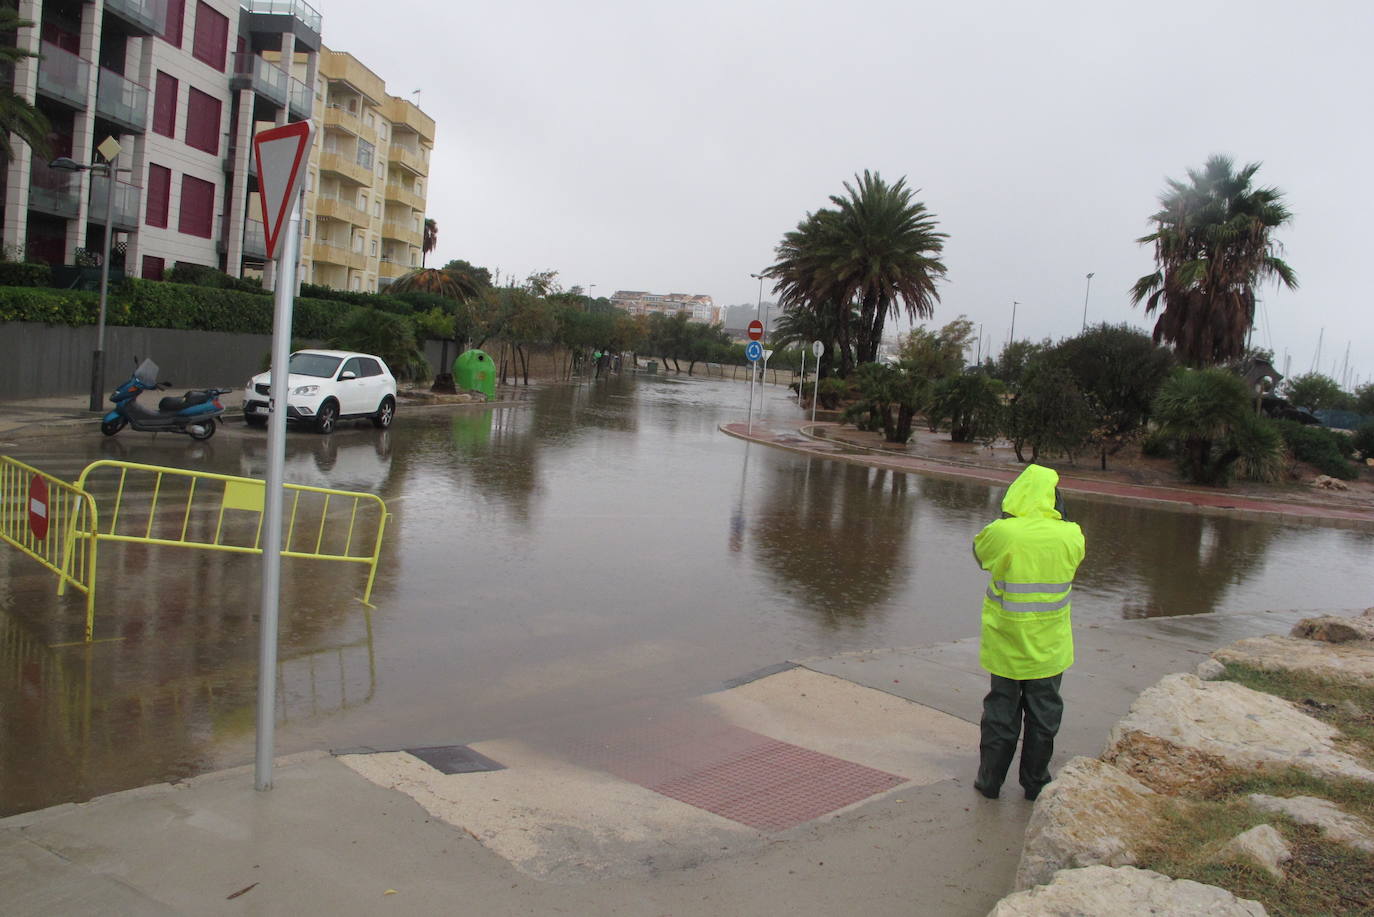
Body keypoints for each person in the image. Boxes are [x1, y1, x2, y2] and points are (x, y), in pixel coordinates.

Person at [971, 464, 1085, 801]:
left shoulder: (1003, 532)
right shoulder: (1072, 535)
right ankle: (1035, 783)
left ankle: (990, 781)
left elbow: (981, 556)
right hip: (1050, 647)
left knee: (1001, 714)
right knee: (1044, 716)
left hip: (1006, 644)